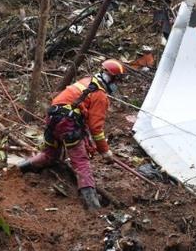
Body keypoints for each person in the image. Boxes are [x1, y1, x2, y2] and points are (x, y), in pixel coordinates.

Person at [18, 59, 125, 210]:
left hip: (52, 118)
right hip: (67, 123)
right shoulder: (100, 95)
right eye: (117, 81)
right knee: (81, 162)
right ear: (112, 78)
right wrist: (105, 151)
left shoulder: (86, 81)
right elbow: (96, 129)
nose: (117, 85)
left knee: (50, 154)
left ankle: (18, 169)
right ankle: (93, 207)